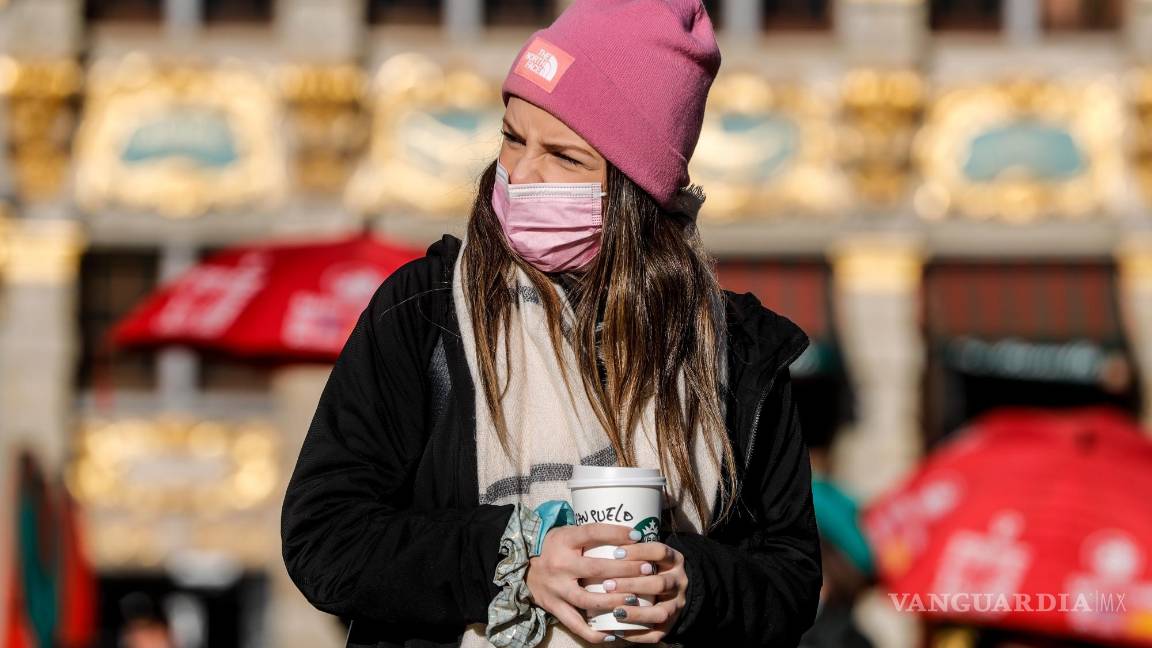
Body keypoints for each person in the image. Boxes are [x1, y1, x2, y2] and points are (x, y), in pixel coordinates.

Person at [280, 1, 822, 646]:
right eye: (513, 138)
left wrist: (690, 584)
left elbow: (791, 581)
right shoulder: (426, 310)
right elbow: (325, 538)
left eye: (564, 157)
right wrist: (516, 556)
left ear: (637, 189)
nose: (520, 173)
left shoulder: (737, 350)